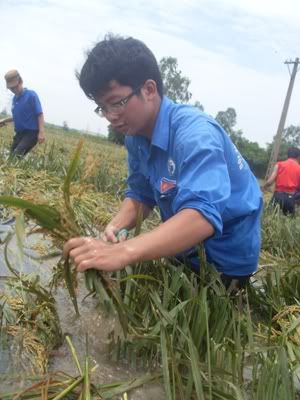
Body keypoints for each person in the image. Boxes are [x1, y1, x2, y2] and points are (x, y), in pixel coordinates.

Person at [64, 34, 263, 290]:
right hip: (181, 249)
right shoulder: (135, 137)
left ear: (148, 90)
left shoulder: (196, 134)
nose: (110, 117)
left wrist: (124, 252)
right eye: (102, 108)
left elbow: (202, 216)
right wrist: (115, 227)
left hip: (225, 260)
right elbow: (140, 194)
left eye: (116, 103)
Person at [4, 69, 45, 156]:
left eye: (15, 87)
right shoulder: (15, 99)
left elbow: (40, 114)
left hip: (31, 134)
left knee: (16, 155)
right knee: (11, 156)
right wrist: (3, 121)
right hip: (19, 134)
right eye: (11, 88)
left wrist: (41, 132)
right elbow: (17, 116)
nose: (14, 90)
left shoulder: (31, 95)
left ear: (20, 81)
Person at [262, 147, 300, 215]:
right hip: (290, 199)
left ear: (287, 155)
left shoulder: (279, 164)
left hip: (277, 196)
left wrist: (264, 187)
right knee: (287, 221)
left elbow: (270, 181)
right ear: (298, 157)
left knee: (271, 218)